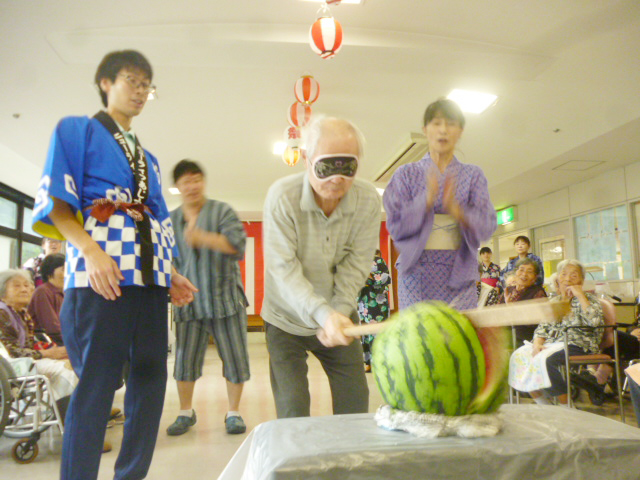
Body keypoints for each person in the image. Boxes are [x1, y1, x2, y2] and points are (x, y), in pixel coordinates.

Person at [31, 50, 196, 480]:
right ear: (105, 82)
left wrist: (172, 271)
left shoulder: (149, 159)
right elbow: (60, 205)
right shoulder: (77, 130)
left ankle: (131, 475)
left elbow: (158, 219)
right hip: (99, 276)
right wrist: (89, 251)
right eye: (131, 81)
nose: (140, 91)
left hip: (149, 281)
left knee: (150, 380)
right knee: (97, 386)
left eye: (147, 85)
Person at [262, 116, 381, 418]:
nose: (337, 179)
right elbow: (283, 268)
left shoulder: (367, 200)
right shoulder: (281, 197)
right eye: (327, 166)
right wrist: (321, 314)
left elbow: (357, 263)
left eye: (348, 167)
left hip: (339, 316)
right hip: (285, 320)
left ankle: (347, 463)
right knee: (293, 408)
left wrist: (337, 312)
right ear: (306, 159)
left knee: (355, 404)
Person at [383, 98, 496, 311]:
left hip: (459, 273)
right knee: (419, 337)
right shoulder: (406, 174)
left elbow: (487, 226)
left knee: (458, 337)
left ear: (460, 130)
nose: (443, 130)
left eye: (451, 123)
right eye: (436, 123)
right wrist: (426, 200)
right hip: (416, 273)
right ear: (425, 130)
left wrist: (456, 210)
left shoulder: (472, 175)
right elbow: (396, 226)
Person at [167, 159, 250, 436]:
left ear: (203, 181)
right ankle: (185, 412)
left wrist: (203, 237)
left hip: (225, 298)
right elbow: (164, 259)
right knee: (184, 359)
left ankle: (234, 412)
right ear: (177, 187)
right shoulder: (170, 219)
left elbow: (237, 246)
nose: (192, 185)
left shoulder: (222, 211)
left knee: (235, 357)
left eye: (196, 179)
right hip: (188, 301)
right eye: (186, 181)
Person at [509, 259, 603, 406]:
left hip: (579, 344)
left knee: (547, 360)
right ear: (558, 279)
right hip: (553, 344)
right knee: (520, 356)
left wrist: (580, 296)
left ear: (582, 280)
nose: (567, 278)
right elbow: (542, 328)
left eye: (574, 275)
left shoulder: (590, 299)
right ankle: (544, 405)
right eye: (564, 274)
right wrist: (538, 344)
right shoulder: (554, 301)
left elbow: (595, 322)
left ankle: (566, 407)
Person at [0, 270, 76, 419]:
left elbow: (27, 346)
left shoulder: (21, 313)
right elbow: (11, 352)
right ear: (2, 293)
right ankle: (71, 422)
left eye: (27, 285)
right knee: (66, 370)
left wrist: (52, 351)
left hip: (24, 362)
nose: (24, 289)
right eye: (17, 286)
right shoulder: (2, 314)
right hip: (9, 367)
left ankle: (77, 415)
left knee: (73, 364)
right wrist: (47, 354)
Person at [498, 258, 547, 344]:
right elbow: (497, 314)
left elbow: (535, 321)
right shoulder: (508, 290)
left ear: (535, 277)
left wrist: (512, 309)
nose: (524, 274)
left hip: (525, 338)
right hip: (504, 334)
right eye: (521, 270)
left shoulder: (538, 293)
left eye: (530, 271)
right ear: (515, 272)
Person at [356, 249, 391, 372]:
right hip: (364, 302)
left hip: (376, 302)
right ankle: (369, 363)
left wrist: (368, 278)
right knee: (366, 333)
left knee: (375, 331)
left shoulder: (377, 261)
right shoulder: (357, 261)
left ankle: (376, 362)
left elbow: (385, 280)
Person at [28, 252, 65, 345]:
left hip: (63, 340)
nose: (68, 273)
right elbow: (51, 327)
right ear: (49, 272)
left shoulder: (64, 293)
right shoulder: (43, 291)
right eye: (64, 269)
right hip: (46, 342)